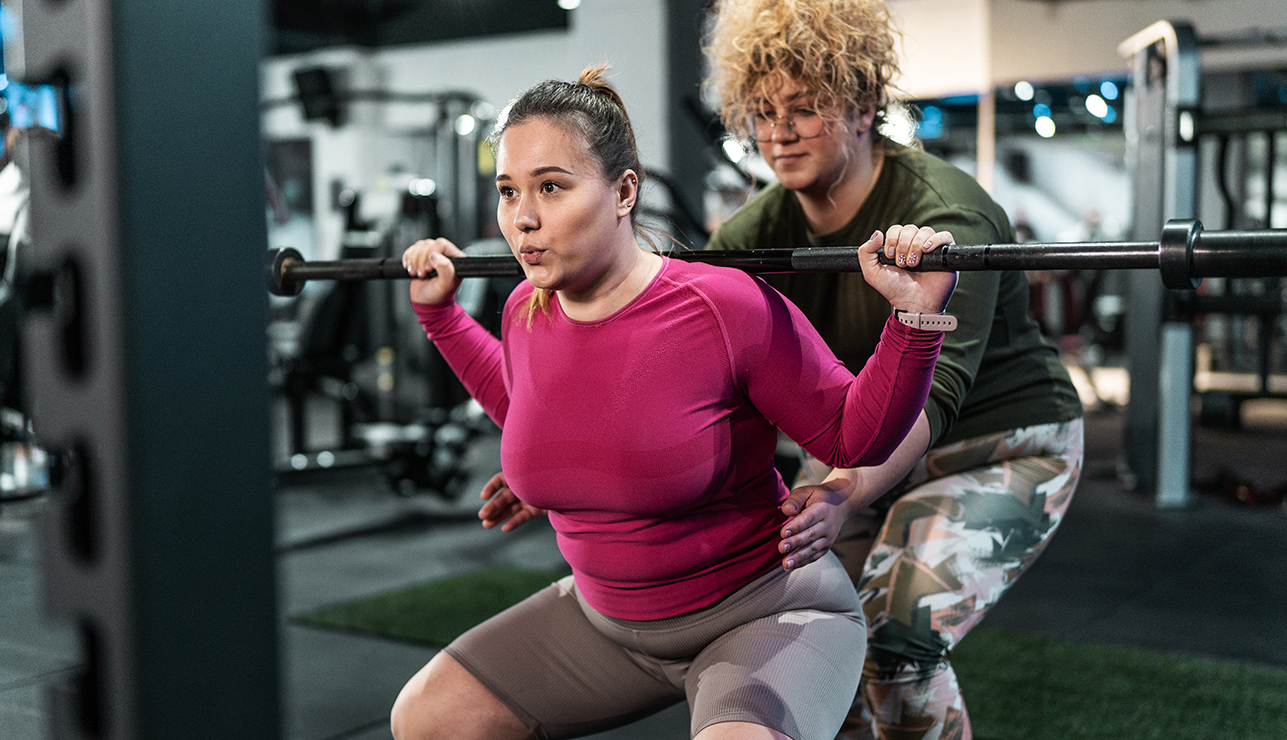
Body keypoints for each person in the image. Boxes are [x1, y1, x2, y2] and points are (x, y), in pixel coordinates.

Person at [389, 65, 959, 740]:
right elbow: (526, 409)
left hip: (761, 613)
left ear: (624, 191)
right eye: (508, 191)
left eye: (550, 186)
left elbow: (849, 439)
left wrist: (914, 322)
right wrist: (443, 318)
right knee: (427, 719)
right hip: (604, 627)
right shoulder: (524, 308)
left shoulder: (723, 306)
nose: (523, 218)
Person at [704, 1, 1085, 739]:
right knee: (808, 641)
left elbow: (933, 397)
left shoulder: (945, 217)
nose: (777, 132)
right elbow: (680, 349)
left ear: (862, 105)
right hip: (868, 451)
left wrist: (840, 491)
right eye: (762, 111)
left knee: (895, 635)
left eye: (805, 109)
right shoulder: (752, 234)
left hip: (1003, 443)